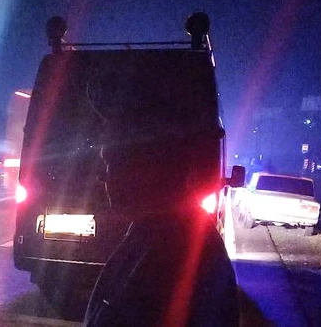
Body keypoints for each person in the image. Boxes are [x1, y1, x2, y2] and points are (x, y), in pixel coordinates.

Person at [84, 134, 240, 327]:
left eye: (112, 162)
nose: (101, 177)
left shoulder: (173, 251)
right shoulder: (156, 231)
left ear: (148, 169)